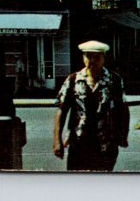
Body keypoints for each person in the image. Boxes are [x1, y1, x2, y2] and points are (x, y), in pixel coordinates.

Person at [53, 40, 129, 171]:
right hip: (79, 142)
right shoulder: (72, 80)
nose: (92, 61)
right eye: (88, 56)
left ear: (103, 58)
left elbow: (123, 110)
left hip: (106, 143)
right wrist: (57, 140)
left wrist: (123, 135)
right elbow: (62, 111)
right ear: (83, 58)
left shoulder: (114, 80)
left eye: (97, 57)